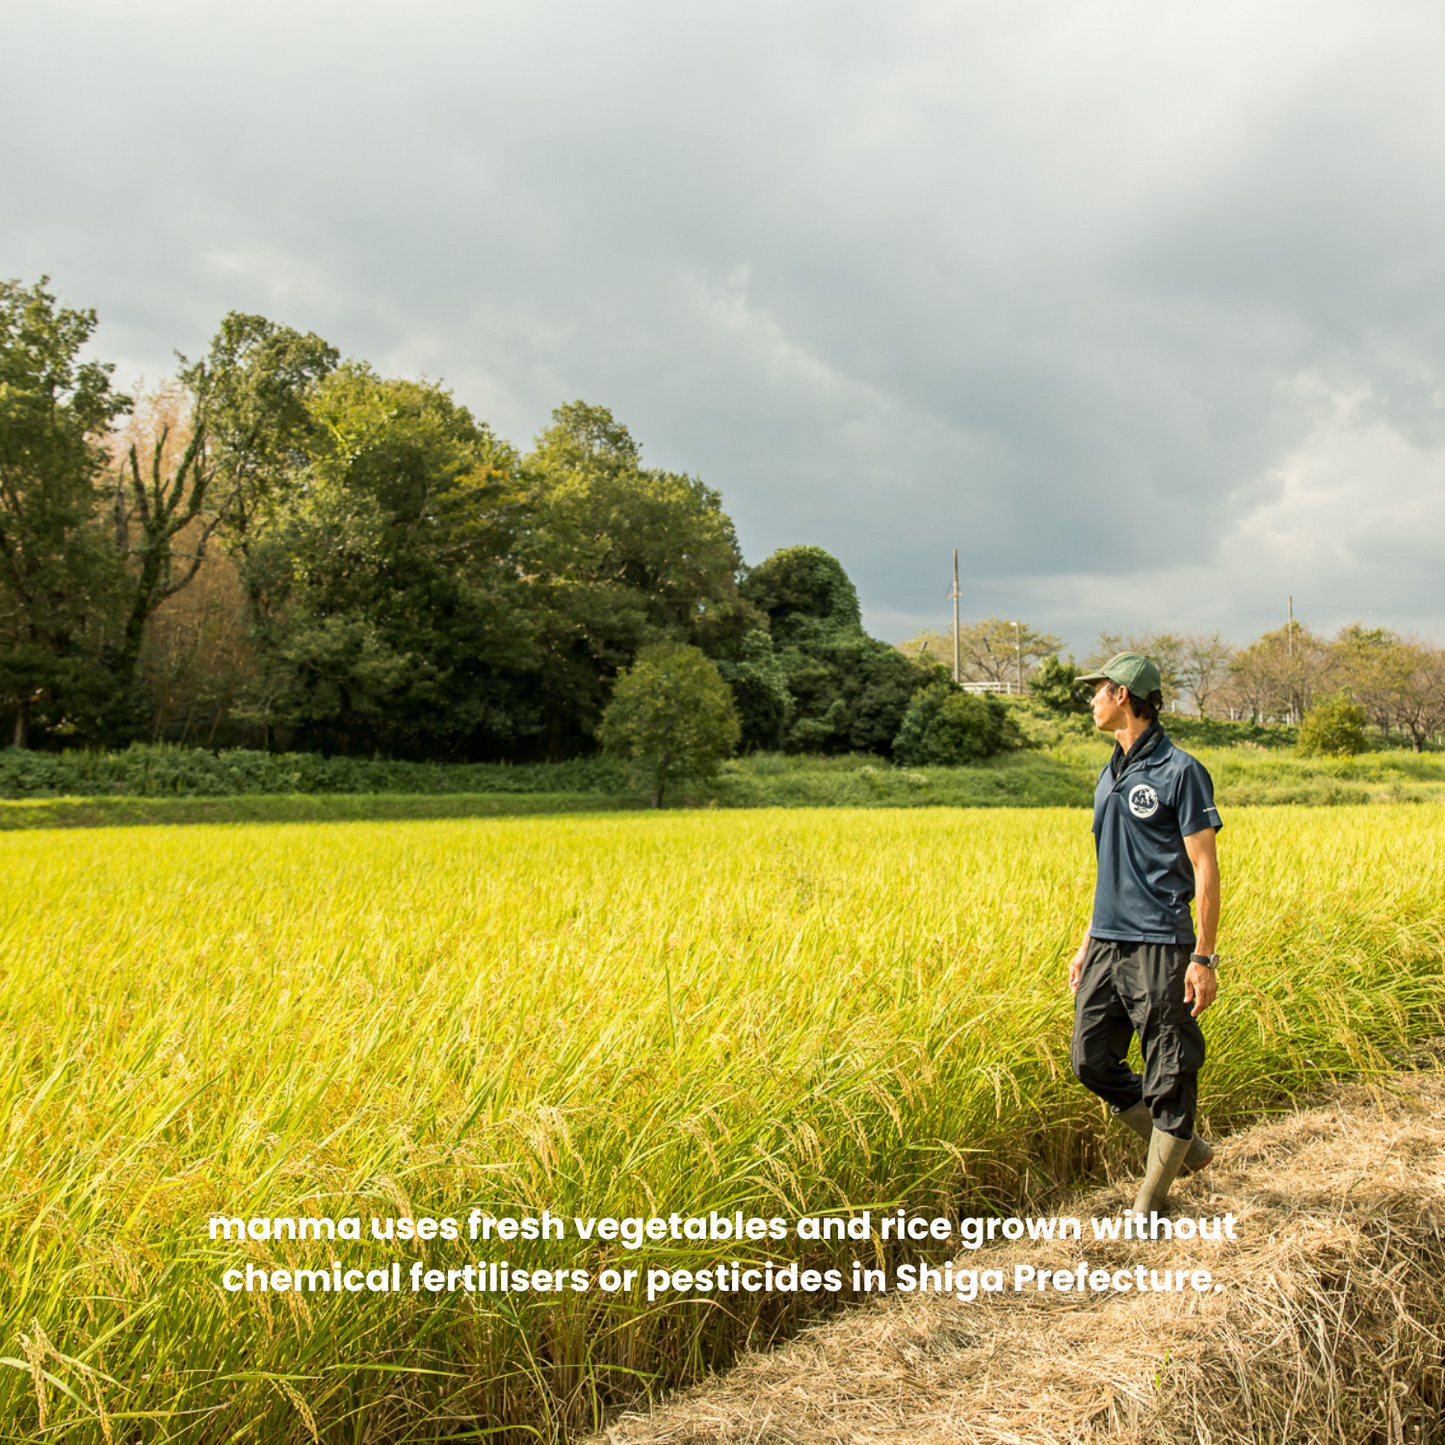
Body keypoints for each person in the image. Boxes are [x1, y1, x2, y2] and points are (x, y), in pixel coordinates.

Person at [1066, 652, 1222, 1217]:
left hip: (1163, 942)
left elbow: (1205, 867)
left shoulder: (1181, 771)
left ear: (1123, 695)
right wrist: (1088, 941)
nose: (1091, 701)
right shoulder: (1109, 774)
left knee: (1169, 1071)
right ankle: (1190, 1151)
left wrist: (1203, 956)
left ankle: (1148, 1206)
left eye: (1097, 691)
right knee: (1090, 1060)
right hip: (1108, 941)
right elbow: (1109, 864)